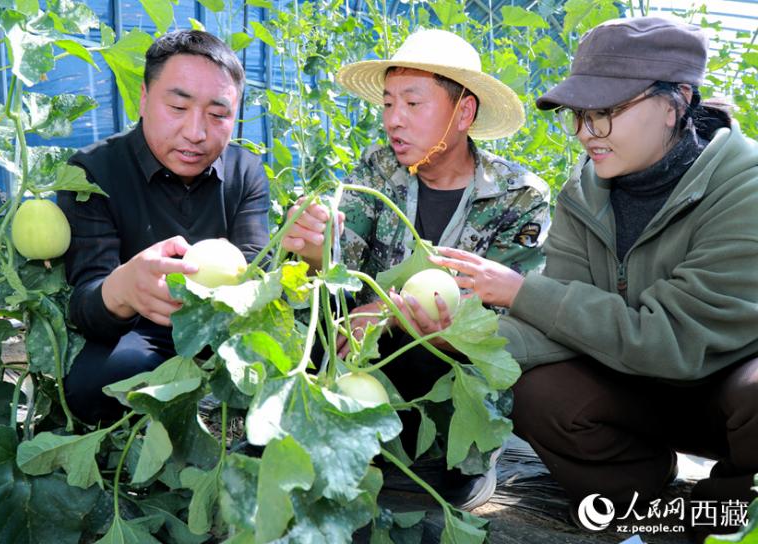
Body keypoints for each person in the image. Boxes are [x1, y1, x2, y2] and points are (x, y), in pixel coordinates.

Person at [428, 17, 758, 542]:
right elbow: (554, 329)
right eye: (580, 116)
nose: (586, 133)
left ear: (677, 102)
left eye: (604, 114)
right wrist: (451, 333)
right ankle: (644, 504)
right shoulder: (586, 193)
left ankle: (724, 514)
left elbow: (675, 342)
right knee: (537, 391)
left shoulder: (744, 186)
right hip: (640, 389)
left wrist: (522, 290)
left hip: (722, 396)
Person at [281, 28, 551, 510]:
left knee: (448, 386)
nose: (393, 121)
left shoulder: (519, 196)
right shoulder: (376, 171)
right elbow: (342, 261)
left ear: (463, 112)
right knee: (308, 321)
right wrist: (315, 249)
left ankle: (445, 465)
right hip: (369, 364)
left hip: (450, 376)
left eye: (412, 103)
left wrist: (389, 314)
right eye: (388, 104)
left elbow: (510, 323)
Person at [57, 30, 270, 424]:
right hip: (141, 335)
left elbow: (257, 265)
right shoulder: (91, 173)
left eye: (219, 114)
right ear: (143, 98)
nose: (196, 132)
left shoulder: (246, 171)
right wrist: (121, 289)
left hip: (226, 328)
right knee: (93, 383)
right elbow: (85, 303)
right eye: (177, 106)